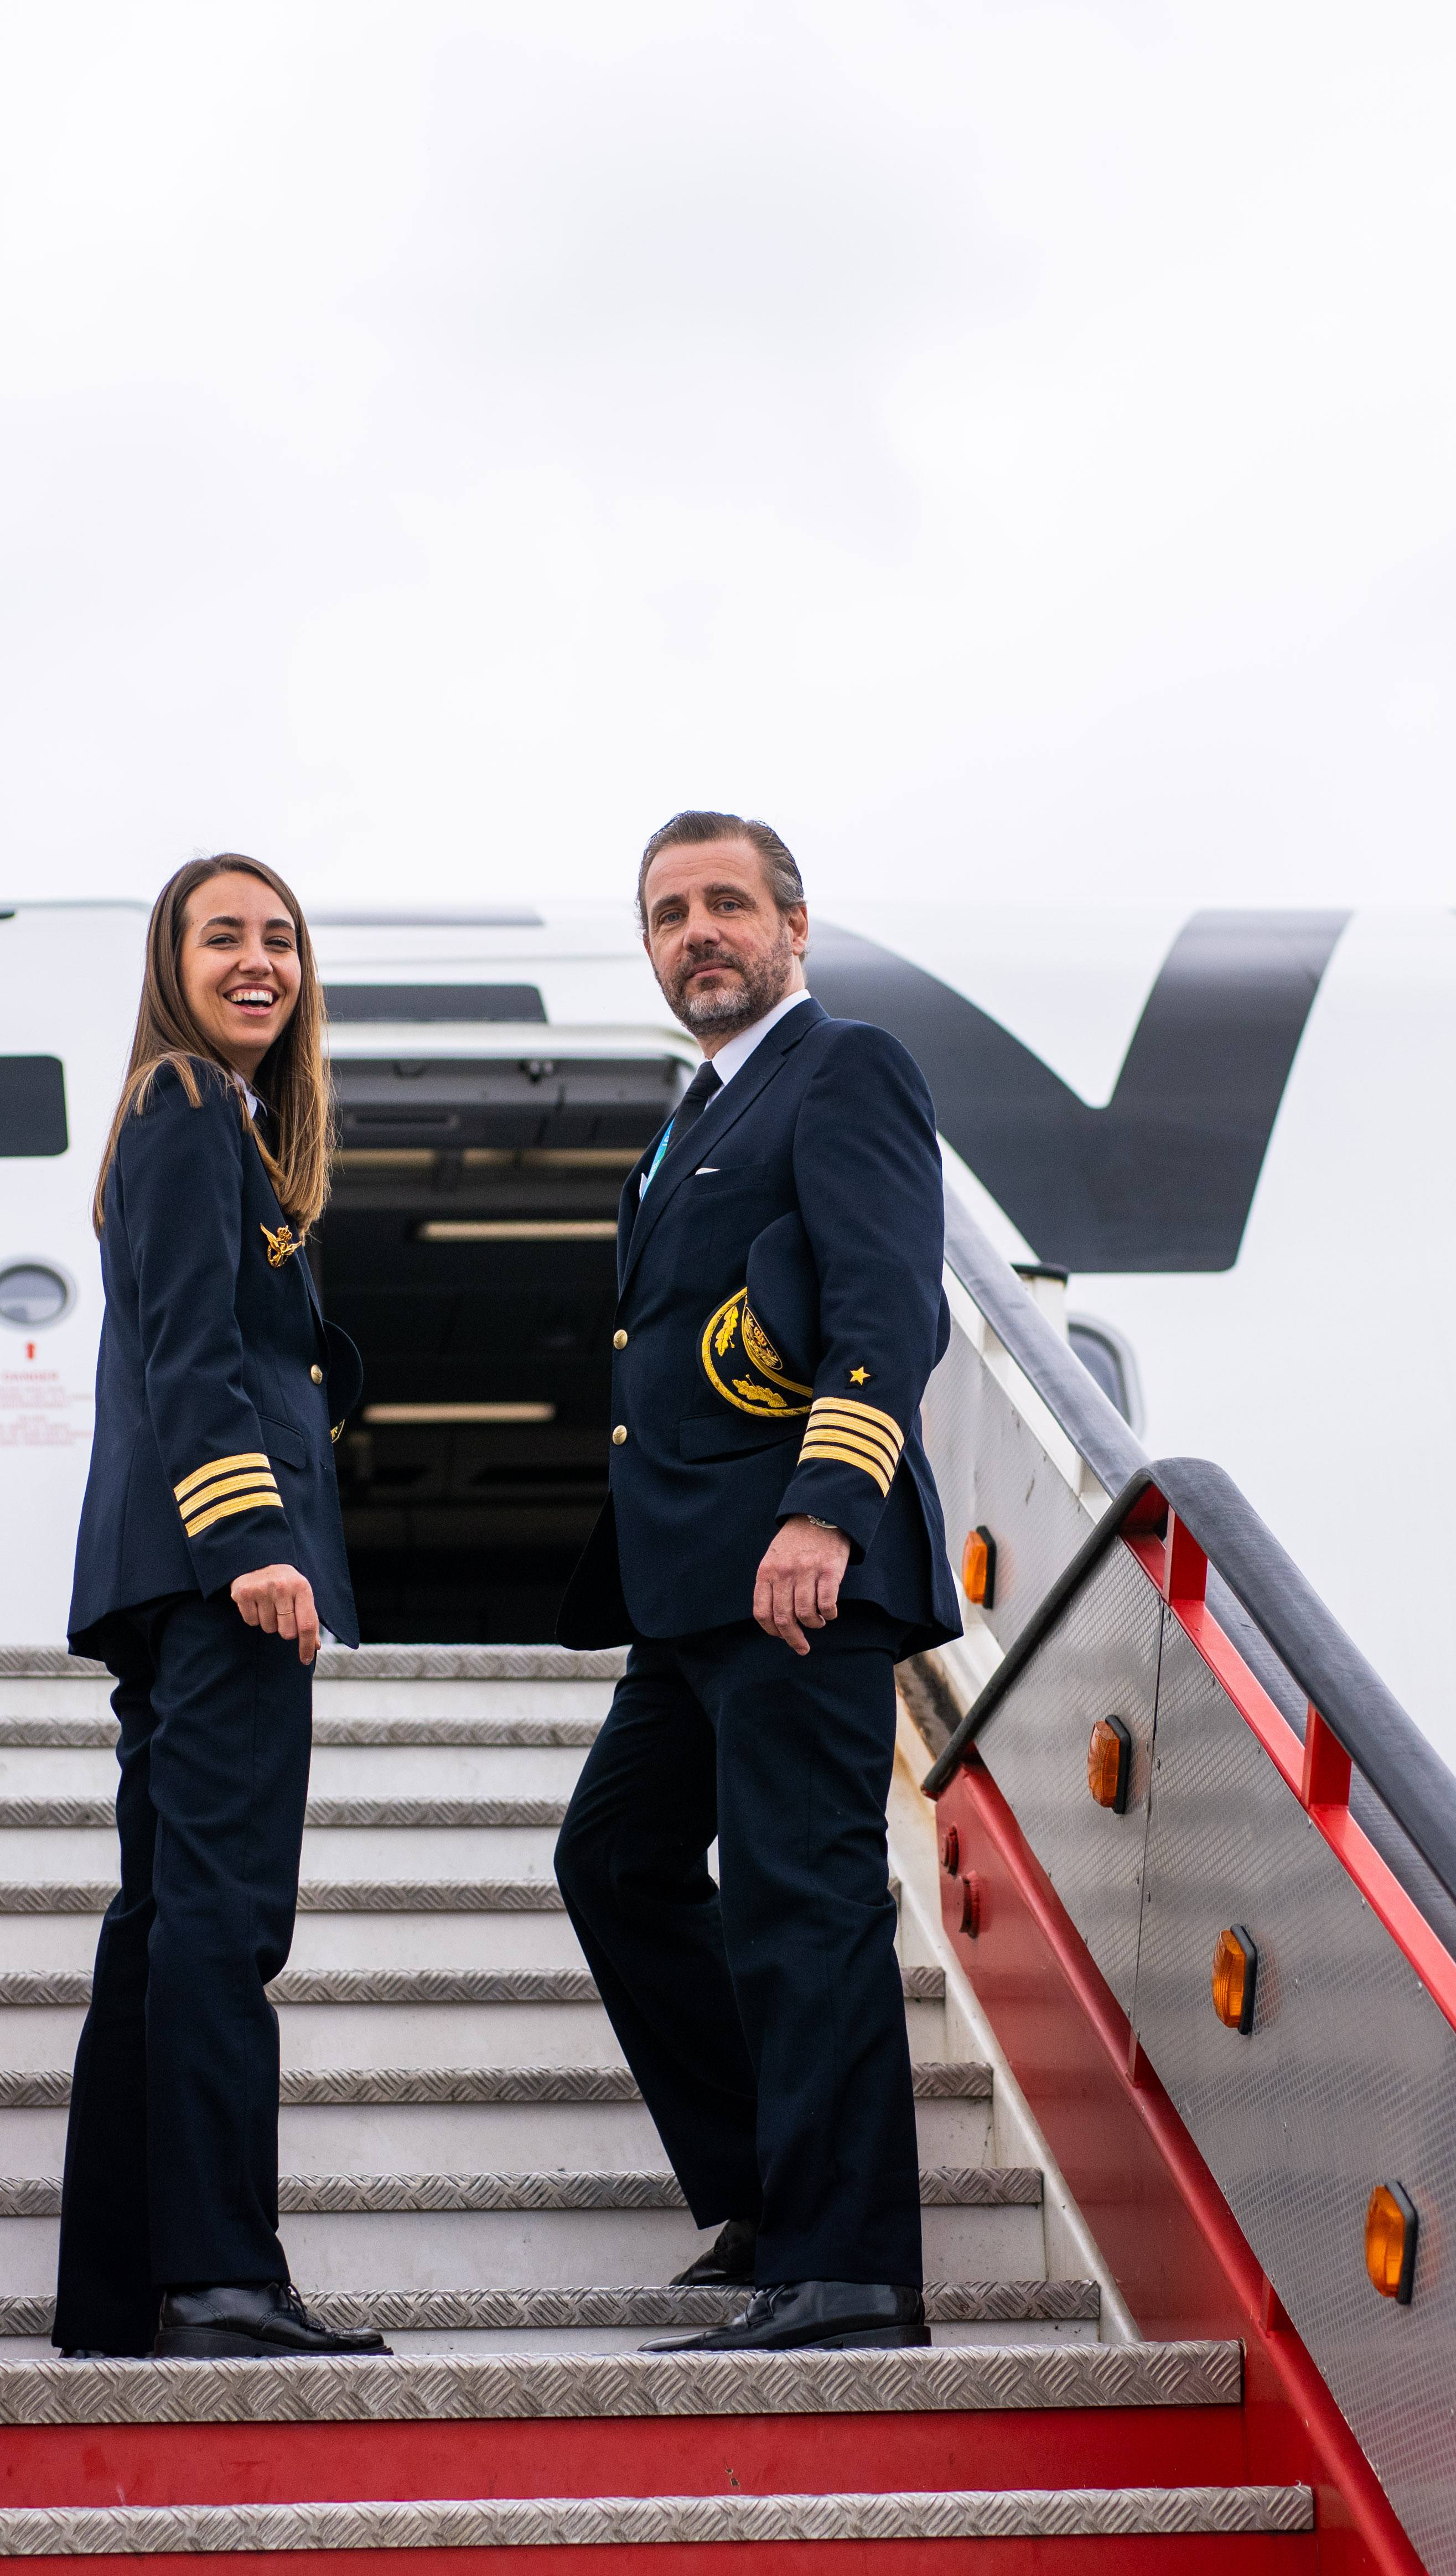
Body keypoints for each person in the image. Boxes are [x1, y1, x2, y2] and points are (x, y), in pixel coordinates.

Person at [552, 811, 966, 2355]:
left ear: (797, 922)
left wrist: (828, 1505)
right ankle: (771, 2201)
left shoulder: (843, 1067)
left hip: (799, 1573)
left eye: (728, 903)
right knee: (613, 1864)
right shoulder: (693, 1114)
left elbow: (882, 1301)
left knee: (803, 1903)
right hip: (694, 1600)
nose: (697, 933)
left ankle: (850, 2272)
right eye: (668, 914)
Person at [50, 854, 390, 2361]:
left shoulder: (207, 1120)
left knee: (164, 1921)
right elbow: (191, 1345)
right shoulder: (188, 1106)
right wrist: (255, 1537)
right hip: (219, 1578)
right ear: (168, 963)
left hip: (167, 1577)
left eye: (280, 939)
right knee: (222, 1926)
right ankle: (224, 2282)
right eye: (222, 937)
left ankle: (127, 2290)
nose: (258, 961)